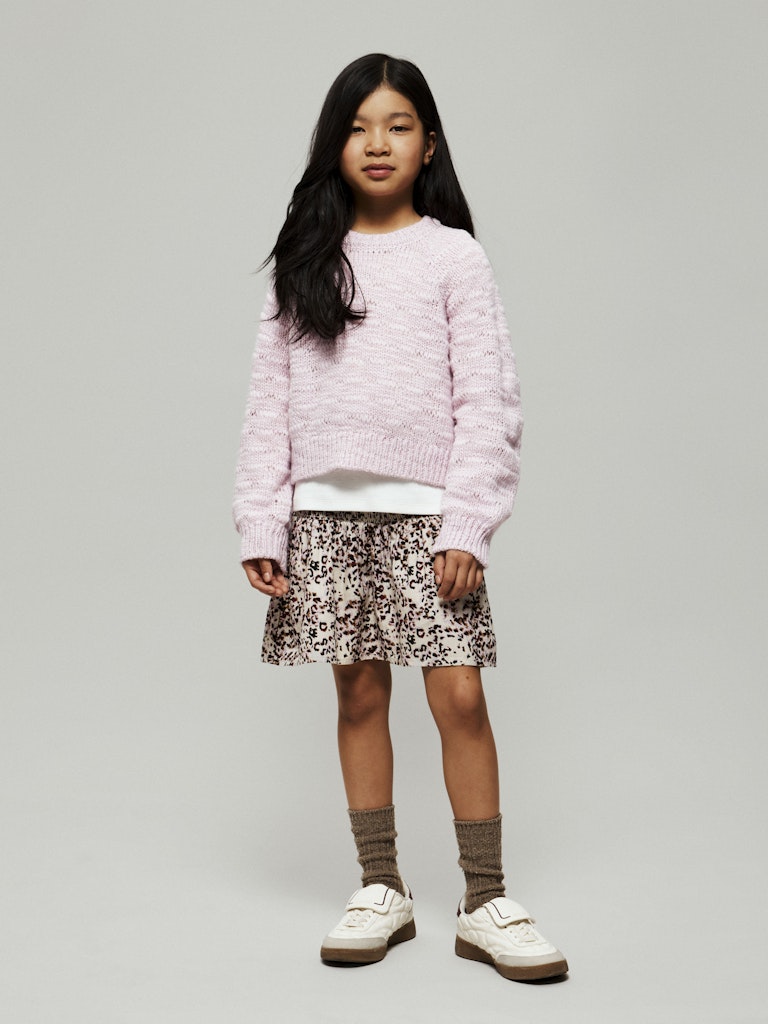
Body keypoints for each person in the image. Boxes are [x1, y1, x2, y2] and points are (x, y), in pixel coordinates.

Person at [232, 53, 568, 982]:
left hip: (430, 517)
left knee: (458, 695)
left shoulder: (454, 256)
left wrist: (468, 523)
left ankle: (486, 899)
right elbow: (269, 403)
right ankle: (380, 886)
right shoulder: (304, 263)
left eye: (398, 125)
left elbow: (488, 400)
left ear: (429, 145)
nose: (377, 142)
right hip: (324, 515)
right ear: (333, 144)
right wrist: (262, 519)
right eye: (357, 127)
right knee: (358, 692)